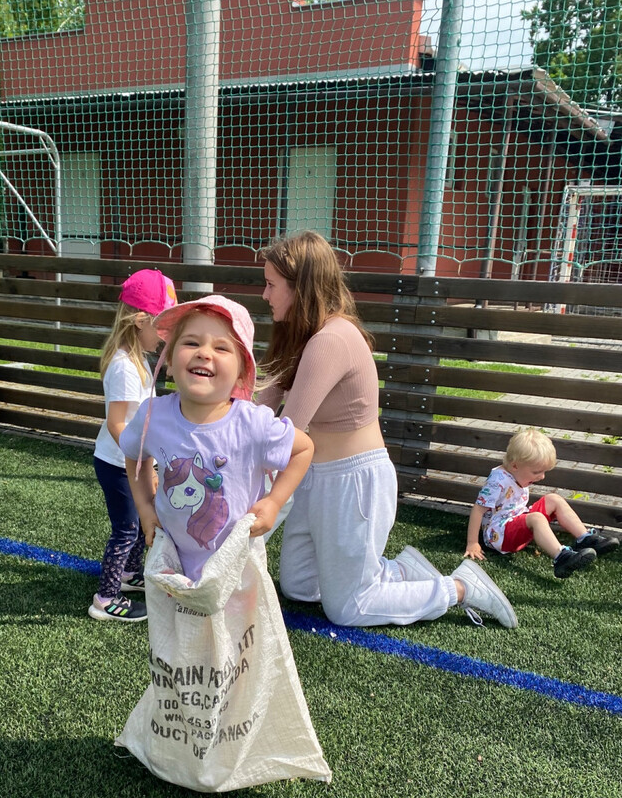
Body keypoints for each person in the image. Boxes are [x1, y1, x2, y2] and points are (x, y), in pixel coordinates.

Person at [257, 230, 517, 628]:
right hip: (316, 479)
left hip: (353, 484)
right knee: (300, 586)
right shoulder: (300, 336)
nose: (265, 295)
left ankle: (461, 587)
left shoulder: (331, 339)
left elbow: (287, 431)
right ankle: (401, 571)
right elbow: (262, 408)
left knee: (349, 608)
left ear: (301, 287)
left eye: (271, 285)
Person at [119, 294, 313, 581]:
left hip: (236, 569)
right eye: (191, 343)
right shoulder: (152, 415)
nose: (204, 353)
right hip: (171, 565)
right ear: (169, 359)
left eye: (221, 347)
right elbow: (134, 454)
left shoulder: (253, 423)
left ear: (242, 372)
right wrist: (145, 507)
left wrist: (274, 502)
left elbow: (303, 449)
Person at [90, 269, 178, 622]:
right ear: (141, 321)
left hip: (130, 461)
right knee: (126, 528)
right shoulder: (125, 367)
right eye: (163, 325)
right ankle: (105, 598)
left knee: (142, 521)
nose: (166, 334)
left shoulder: (138, 358)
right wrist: (141, 461)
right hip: (117, 465)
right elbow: (117, 423)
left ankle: (128, 574)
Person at [464, 427, 619, 577]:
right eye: (536, 472)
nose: (542, 477)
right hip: (499, 536)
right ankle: (561, 557)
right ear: (515, 465)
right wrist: (472, 543)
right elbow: (478, 509)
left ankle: (585, 538)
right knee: (536, 518)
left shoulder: (516, 473)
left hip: (516, 521)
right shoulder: (498, 481)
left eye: (544, 471)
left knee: (553, 498)